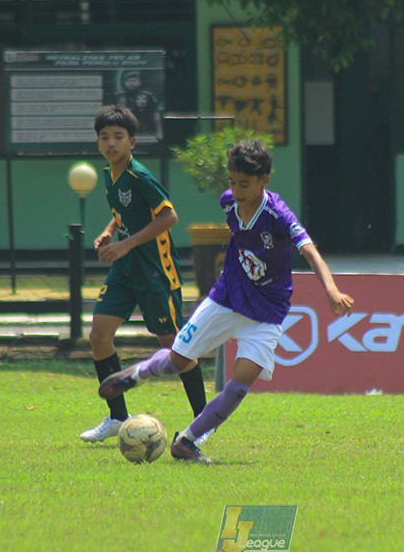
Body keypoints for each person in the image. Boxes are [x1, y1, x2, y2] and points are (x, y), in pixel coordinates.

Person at [97, 138, 355, 463]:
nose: (236, 190)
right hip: (225, 299)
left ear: (264, 181)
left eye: (244, 184)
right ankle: (134, 376)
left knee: (237, 387)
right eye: (232, 182)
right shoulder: (228, 202)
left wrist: (330, 290)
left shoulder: (277, 214)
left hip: (267, 313)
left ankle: (186, 442)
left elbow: (309, 250)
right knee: (179, 361)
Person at [79, 105, 207, 443]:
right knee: (98, 336)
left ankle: (202, 424)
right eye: (104, 137)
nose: (110, 143)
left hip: (155, 272)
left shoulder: (140, 176)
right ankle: (117, 417)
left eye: (118, 137)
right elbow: (122, 211)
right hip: (126, 270)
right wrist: (110, 232)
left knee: (176, 349)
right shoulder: (109, 173)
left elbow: (169, 217)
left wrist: (126, 245)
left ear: (132, 142)